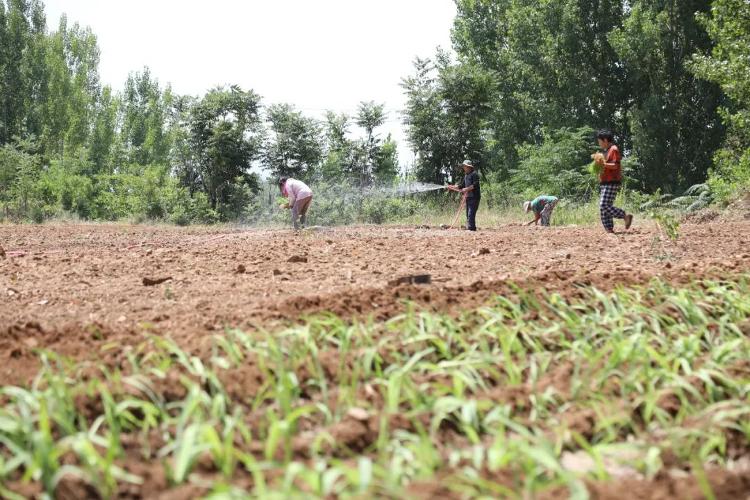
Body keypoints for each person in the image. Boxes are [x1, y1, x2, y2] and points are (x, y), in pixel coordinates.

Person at [595, 130, 633, 233]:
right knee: (604, 208)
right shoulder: (605, 151)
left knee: (603, 205)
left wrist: (602, 164)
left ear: (605, 140)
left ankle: (625, 216)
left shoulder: (613, 149)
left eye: (600, 141)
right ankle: (609, 229)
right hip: (605, 182)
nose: (599, 143)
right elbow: (604, 167)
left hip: (612, 182)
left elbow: (615, 165)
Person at [447, 160, 481, 231]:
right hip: (468, 197)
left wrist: (466, 189)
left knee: (470, 214)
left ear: (469, 167)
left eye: (465, 166)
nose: (463, 168)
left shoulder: (474, 174)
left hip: (474, 197)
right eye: (463, 166)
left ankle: (471, 229)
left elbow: (475, 185)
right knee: (468, 214)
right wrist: (452, 187)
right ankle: (471, 228)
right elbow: (461, 186)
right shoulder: (466, 175)